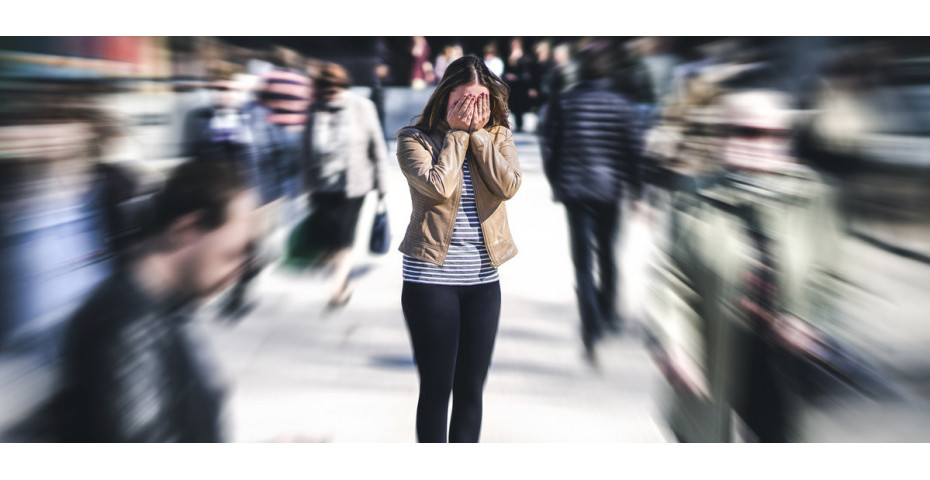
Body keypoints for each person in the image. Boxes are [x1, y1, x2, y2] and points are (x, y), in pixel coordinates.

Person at [54, 159, 259, 442]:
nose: (242, 269)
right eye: (233, 254)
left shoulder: (166, 308)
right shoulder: (126, 329)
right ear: (185, 229)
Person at [395, 56, 521, 442]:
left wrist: (479, 137)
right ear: (444, 97)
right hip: (431, 280)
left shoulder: (498, 136)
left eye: (481, 100)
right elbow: (438, 186)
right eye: (463, 100)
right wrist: (456, 135)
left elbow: (508, 185)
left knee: (471, 391)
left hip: (484, 281)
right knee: (436, 391)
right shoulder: (414, 139)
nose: (472, 109)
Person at [538, 41, 644, 362]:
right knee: (608, 253)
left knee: (582, 263)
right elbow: (633, 150)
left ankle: (590, 325)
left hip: (576, 191)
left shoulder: (564, 102)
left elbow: (549, 146)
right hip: (609, 191)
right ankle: (607, 313)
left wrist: (557, 182)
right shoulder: (621, 105)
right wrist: (636, 189)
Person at [302, 62, 389, 309]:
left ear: (343, 86)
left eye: (334, 90)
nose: (330, 95)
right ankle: (341, 279)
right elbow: (305, 151)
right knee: (330, 240)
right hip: (322, 187)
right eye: (326, 91)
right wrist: (306, 187)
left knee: (343, 238)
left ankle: (337, 288)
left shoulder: (362, 107)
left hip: (354, 186)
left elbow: (377, 147)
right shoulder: (314, 111)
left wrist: (382, 183)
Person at [504, 37, 535, 132]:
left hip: (521, 86)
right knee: (514, 105)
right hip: (513, 87)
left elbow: (527, 74)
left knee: (521, 105)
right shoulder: (510, 57)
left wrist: (516, 77)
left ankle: (520, 125)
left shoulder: (524, 57)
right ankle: (518, 125)